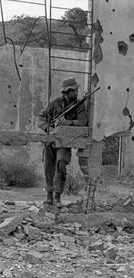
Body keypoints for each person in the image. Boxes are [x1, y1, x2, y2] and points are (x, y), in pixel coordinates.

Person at [38, 77, 88, 207]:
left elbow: (83, 122)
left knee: (61, 166)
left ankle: (58, 196)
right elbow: (41, 117)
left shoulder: (79, 104)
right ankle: (49, 197)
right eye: (73, 91)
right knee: (48, 167)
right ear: (66, 92)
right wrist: (50, 129)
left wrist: (68, 123)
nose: (76, 93)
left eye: (77, 90)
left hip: (65, 141)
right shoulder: (55, 103)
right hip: (50, 140)